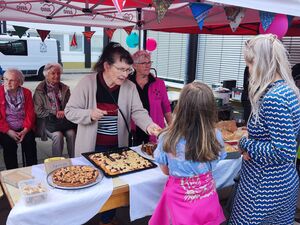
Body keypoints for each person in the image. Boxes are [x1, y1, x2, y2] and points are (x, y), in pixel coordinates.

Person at [65, 42, 161, 225]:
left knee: (115, 184)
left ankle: (107, 220)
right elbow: (70, 111)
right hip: (91, 146)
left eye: (128, 70)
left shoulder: (129, 87)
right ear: (107, 66)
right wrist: (89, 114)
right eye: (121, 69)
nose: (125, 75)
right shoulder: (88, 82)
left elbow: (138, 112)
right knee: (90, 183)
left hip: (118, 147)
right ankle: (84, 216)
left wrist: (150, 126)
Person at [229, 34, 300, 224]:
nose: (249, 70)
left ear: (261, 63)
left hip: (263, 188)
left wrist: (245, 143)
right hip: (283, 182)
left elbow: (283, 150)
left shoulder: (274, 98)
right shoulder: (290, 90)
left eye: (250, 64)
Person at [149, 82, 226, 225]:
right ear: (210, 109)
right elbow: (215, 162)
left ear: (181, 107)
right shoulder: (216, 135)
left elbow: (165, 170)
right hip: (207, 197)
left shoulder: (167, 137)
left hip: (179, 200)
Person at [33, 63, 76, 158]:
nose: (56, 76)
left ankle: (74, 160)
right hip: (48, 122)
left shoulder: (65, 88)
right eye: (53, 73)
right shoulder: (40, 90)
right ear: (46, 74)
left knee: (71, 133)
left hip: (64, 121)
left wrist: (65, 112)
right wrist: (55, 113)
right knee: (58, 135)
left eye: (59, 73)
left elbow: (71, 105)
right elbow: (38, 111)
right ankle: (57, 163)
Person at [129, 50, 172, 145]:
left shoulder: (159, 83)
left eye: (149, 62)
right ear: (134, 65)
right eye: (143, 63)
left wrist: (172, 129)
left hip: (155, 129)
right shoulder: (127, 83)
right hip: (133, 131)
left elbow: (166, 108)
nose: (148, 65)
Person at [0, 69, 37, 169]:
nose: (7, 82)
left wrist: (25, 130)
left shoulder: (26, 92)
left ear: (20, 82)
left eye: (12, 80)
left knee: (30, 142)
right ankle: (12, 172)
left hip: (24, 126)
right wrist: (8, 131)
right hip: (5, 128)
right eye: (5, 79)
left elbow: (30, 113)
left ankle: (33, 170)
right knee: (9, 144)